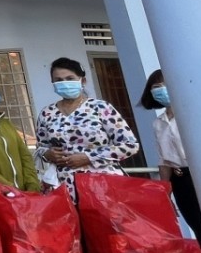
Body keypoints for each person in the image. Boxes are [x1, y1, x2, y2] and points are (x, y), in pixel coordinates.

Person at [35, 57, 139, 199]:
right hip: (62, 187)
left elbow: (130, 146)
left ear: (82, 81)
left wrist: (89, 157)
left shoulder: (101, 108)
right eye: (58, 80)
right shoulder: (47, 113)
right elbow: (41, 147)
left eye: (69, 78)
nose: (64, 83)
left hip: (102, 186)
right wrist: (48, 154)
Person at [139, 69, 201, 253]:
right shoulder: (158, 123)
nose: (162, 90)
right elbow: (165, 161)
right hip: (181, 180)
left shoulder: (193, 115)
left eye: (166, 84)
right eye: (156, 87)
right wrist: (165, 192)